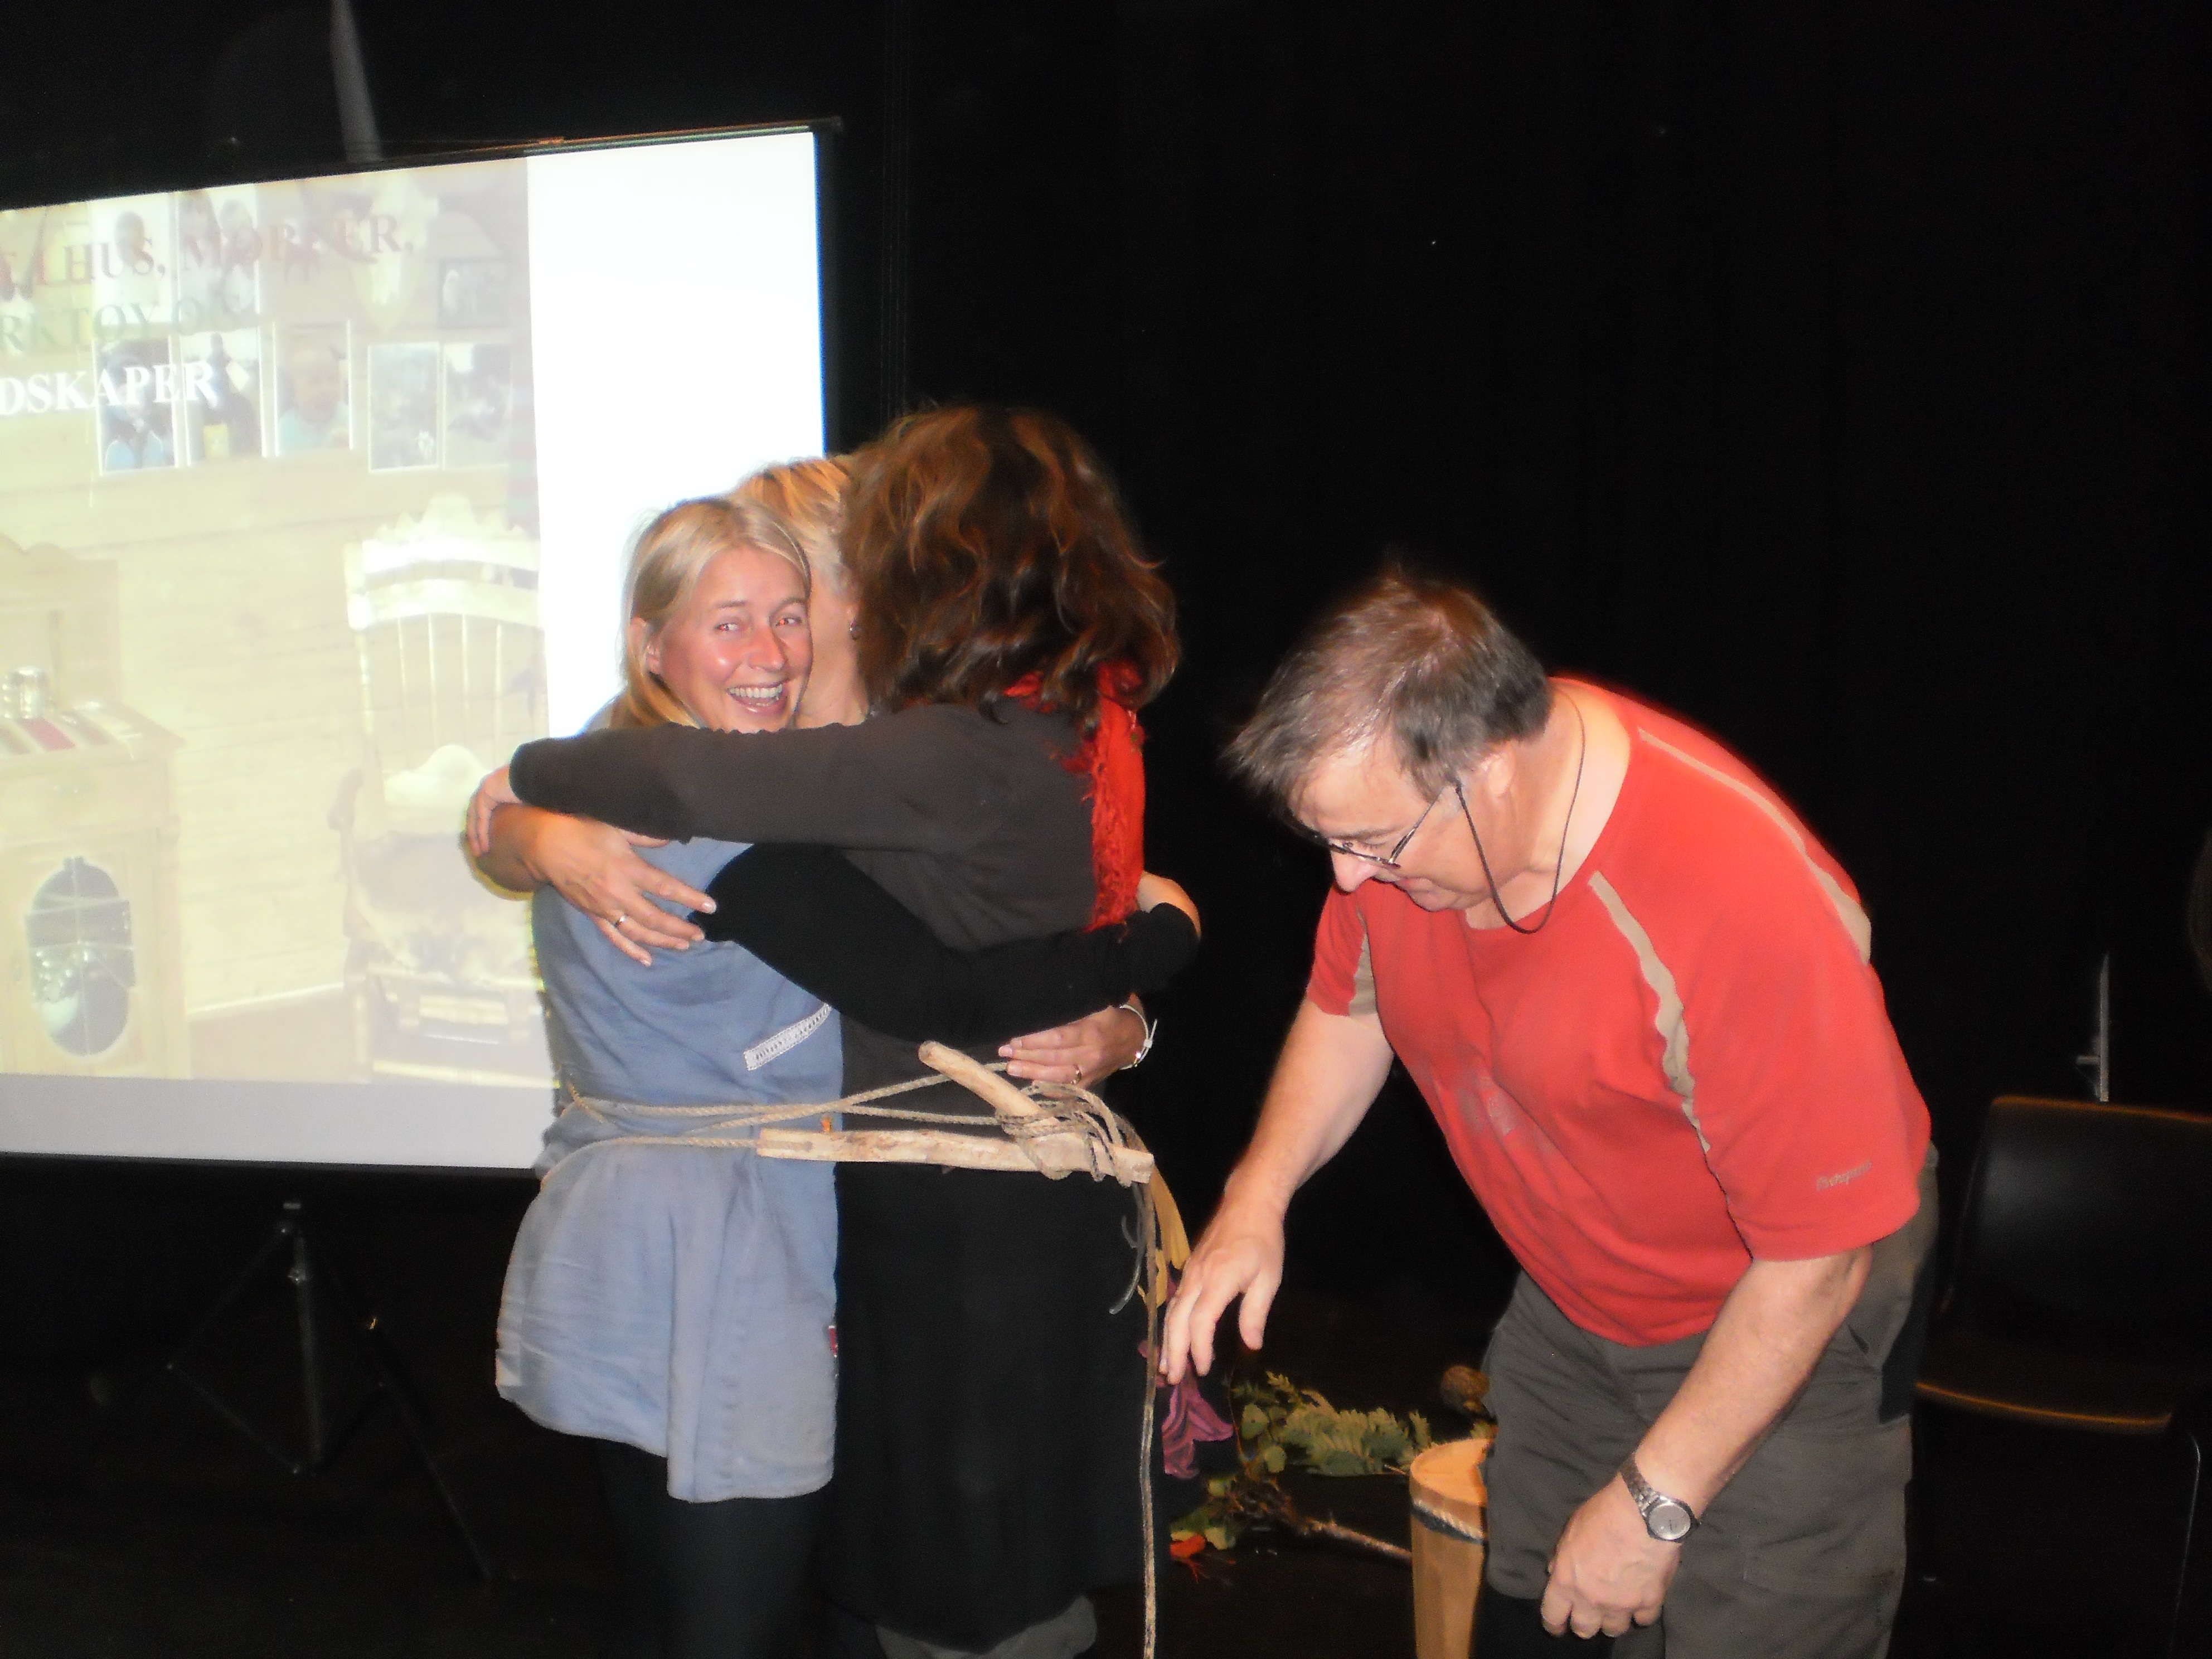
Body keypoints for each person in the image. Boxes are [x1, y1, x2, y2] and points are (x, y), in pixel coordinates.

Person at [469, 406, 1180, 1659]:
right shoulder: (716, 782)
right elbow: (939, 974)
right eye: (734, 615)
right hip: (773, 1240)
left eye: (793, 603)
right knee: (774, 1595)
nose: (773, 644)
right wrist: (528, 825)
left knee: (921, 1596)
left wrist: (1130, 1008)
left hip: (914, 1235)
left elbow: (1102, 899)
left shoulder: (897, 756)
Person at [1160, 566, 1936, 1659]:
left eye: (1371, 843)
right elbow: (1351, 1007)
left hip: (1783, 1322)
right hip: (1578, 1303)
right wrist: (1259, 1194)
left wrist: (1655, 1502)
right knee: (1534, 1614)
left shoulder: (1732, 898)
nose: (1347, 881)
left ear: (1487, 770)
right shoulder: (1405, 845)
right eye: (1327, 843)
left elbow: (1818, 1262)